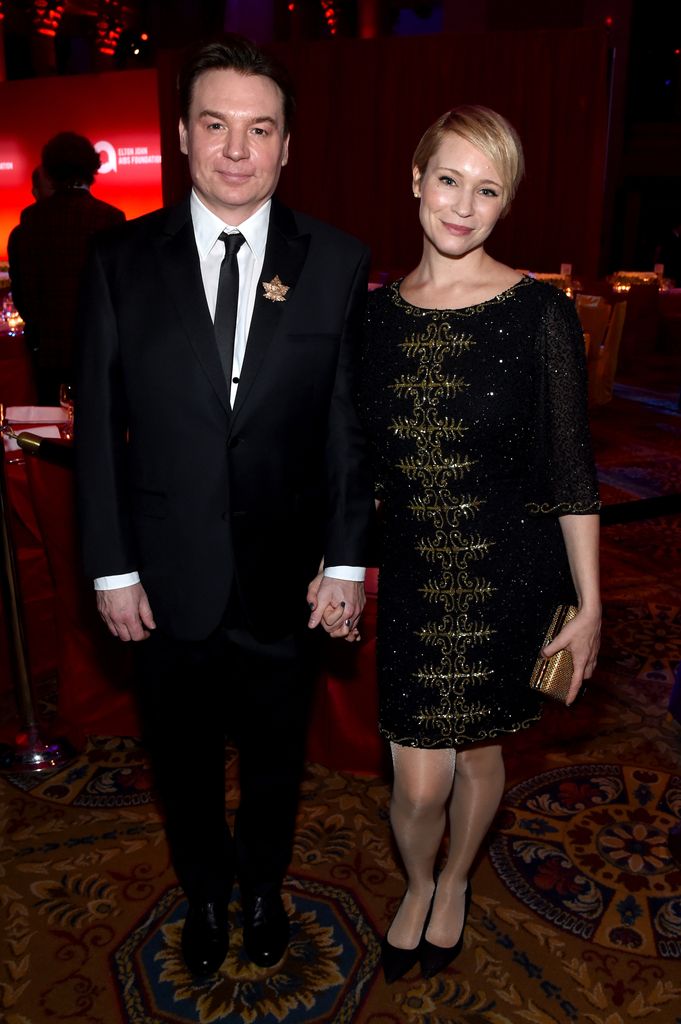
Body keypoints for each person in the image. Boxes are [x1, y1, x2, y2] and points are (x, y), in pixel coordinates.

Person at [75, 36, 373, 978]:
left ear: (287, 145)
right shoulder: (119, 259)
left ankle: (261, 888)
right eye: (216, 125)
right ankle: (205, 893)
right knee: (186, 764)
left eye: (259, 128)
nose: (236, 149)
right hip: (164, 581)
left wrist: (347, 559)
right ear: (181, 136)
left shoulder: (336, 260)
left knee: (279, 765)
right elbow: (99, 431)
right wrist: (112, 567)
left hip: (287, 583)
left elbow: (346, 428)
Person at [355, 105, 601, 983]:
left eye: (486, 189)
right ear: (416, 181)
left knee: (480, 751)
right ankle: (417, 876)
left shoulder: (537, 312)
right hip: (419, 572)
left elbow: (570, 471)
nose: (463, 205)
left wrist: (588, 605)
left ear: (505, 205)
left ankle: (453, 879)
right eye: (449, 179)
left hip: (511, 572)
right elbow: (353, 460)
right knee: (416, 783)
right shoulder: (375, 317)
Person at [8, 133, 125, 404]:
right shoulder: (111, 218)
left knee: (50, 434)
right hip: (100, 350)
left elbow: (24, 296)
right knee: (100, 432)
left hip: (47, 352)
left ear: (49, 172)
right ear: (93, 167)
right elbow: (121, 293)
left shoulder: (30, 222)